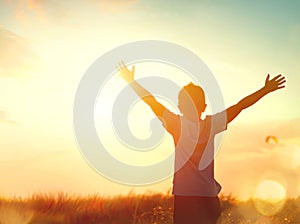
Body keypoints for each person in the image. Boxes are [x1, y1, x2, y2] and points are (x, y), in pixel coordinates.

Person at [117, 61, 286, 224]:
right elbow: (240, 106)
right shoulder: (211, 124)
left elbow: (151, 101)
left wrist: (131, 81)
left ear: (180, 106)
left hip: (185, 197)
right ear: (204, 106)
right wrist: (265, 90)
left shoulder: (176, 124)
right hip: (208, 198)